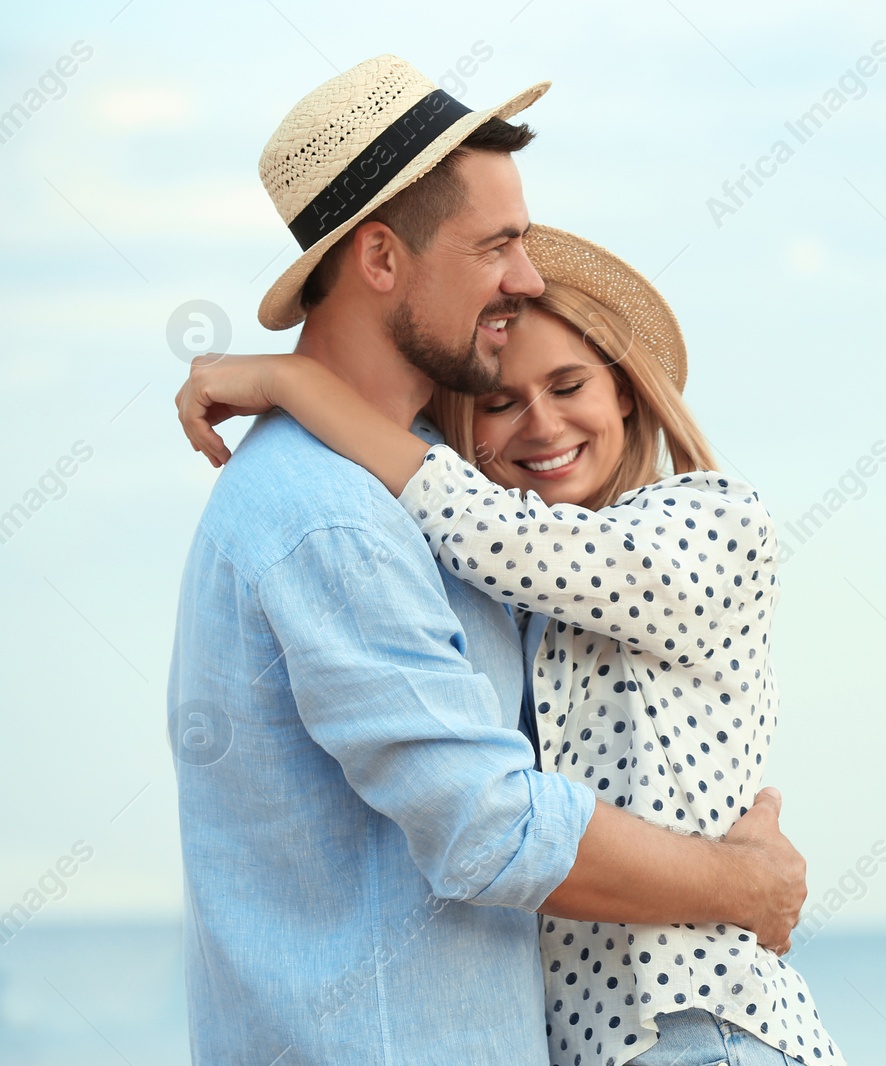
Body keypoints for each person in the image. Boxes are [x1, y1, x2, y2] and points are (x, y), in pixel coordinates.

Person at [169, 55, 806, 1065]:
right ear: (381, 259)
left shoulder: (451, 510)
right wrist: (748, 887)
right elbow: (491, 827)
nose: (523, 275)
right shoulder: (331, 512)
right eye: (497, 245)